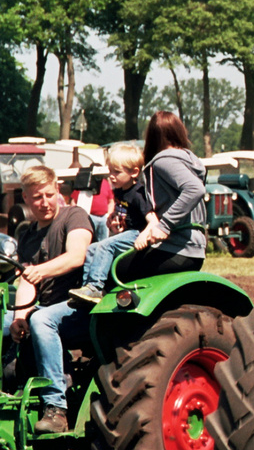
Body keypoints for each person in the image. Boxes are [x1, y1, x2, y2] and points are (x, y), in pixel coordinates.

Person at [3, 166, 94, 433]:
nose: (44, 203)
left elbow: (77, 255)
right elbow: (26, 281)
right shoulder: (27, 234)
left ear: (57, 191)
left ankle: (56, 407)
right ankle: (8, 390)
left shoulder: (73, 216)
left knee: (42, 319)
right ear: (26, 200)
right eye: (37, 197)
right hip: (42, 307)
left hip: (78, 306)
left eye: (49, 195)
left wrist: (40, 271)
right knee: (4, 319)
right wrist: (20, 317)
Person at [120, 111, 209, 282]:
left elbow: (195, 189)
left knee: (113, 269)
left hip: (175, 248)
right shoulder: (190, 160)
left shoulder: (163, 161)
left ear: (152, 136)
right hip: (194, 250)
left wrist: (164, 226)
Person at [67, 143, 151, 304]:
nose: (111, 176)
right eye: (110, 171)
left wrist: (145, 235)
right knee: (92, 248)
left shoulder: (138, 194)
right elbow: (121, 211)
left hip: (138, 234)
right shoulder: (120, 190)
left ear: (134, 172)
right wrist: (112, 217)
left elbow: (152, 219)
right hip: (127, 233)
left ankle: (96, 287)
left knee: (105, 246)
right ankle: (86, 290)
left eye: (117, 172)